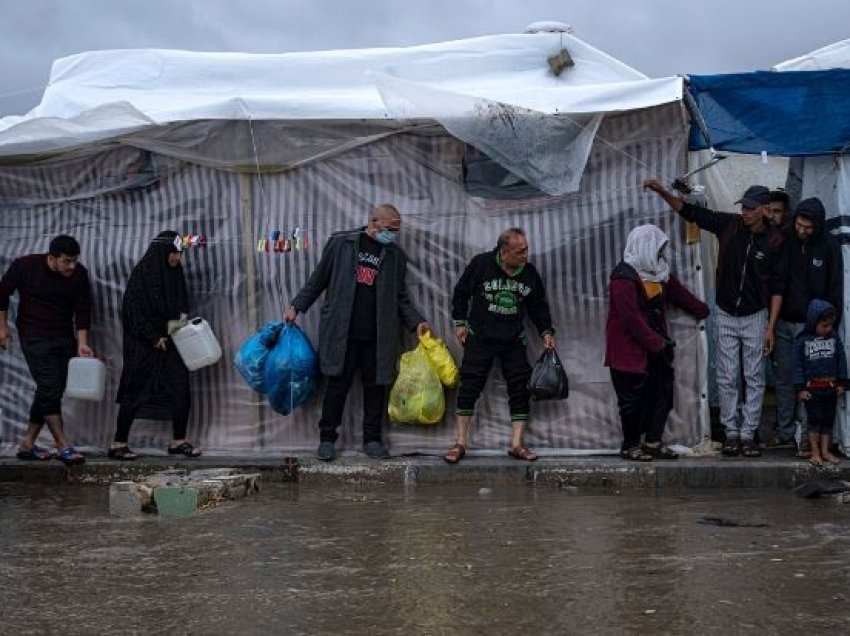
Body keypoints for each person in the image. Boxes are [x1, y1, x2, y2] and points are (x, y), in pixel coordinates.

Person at [643, 180, 783, 458]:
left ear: (765, 210)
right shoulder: (729, 225)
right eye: (743, 206)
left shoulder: (776, 241)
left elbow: (778, 287)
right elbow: (690, 212)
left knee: (754, 377)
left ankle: (749, 434)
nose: (745, 211)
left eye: (751, 208)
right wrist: (661, 192)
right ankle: (732, 433)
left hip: (756, 315)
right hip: (726, 311)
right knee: (728, 375)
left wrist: (771, 327)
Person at [284, 204, 430, 461]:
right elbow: (318, 278)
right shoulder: (342, 243)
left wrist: (415, 322)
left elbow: (400, 297)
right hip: (343, 331)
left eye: (397, 229)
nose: (394, 234)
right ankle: (327, 438)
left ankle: (372, 440)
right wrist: (297, 306)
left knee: (376, 387)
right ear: (374, 222)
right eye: (390, 228)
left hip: (378, 334)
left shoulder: (395, 255)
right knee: (337, 385)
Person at [444, 227, 556, 464]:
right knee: (470, 385)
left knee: (519, 388)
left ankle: (517, 444)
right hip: (480, 337)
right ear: (503, 252)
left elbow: (538, 306)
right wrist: (460, 323)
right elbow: (461, 293)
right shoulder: (481, 264)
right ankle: (460, 442)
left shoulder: (529, 273)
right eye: (519, 252)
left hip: (513, 340)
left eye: (526, 249)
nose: (525, 255)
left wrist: (546, 331)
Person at [605, 225, 709, 461]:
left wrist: (702, 310)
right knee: (632, 402)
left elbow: (678, 293)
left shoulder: (659, 272)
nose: (661, 254)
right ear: (645, 247)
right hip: (629, 352)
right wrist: (656, 343)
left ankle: (653, 441)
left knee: (662, 394)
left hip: (656, 348)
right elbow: (631, 318)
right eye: (658, 248)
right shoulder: (623, 278)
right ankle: (630, 445)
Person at [0, 235, 93, 465]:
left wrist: (82, 342)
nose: (72, 266)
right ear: (51, 258)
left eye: (74, 261)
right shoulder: (25, 266)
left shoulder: (79, 274)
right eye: (67, 261)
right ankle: (63, 445)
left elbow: (83, 309)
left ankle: (27, 444)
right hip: (34, 335)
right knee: (50, 386)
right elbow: (2, 295)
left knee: (51, 389)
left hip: (63, 337)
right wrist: (2, 327)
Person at [109, 231, 201, 460]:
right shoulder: (143, 275)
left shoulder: (175, 274)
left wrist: (176, 328)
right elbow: (133, 311)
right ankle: (117, 443)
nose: (177, 258)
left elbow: (181, 304)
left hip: (171, 340)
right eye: (173, 253)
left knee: (180, 388)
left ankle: (178, 441)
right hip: (144, 344)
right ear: (162, 252)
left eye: (179, 254)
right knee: (135, 389)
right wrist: (153, 336)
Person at [771, 197, 843, 456]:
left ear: (818, 225)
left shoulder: (829, 246)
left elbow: (835, 287)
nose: (802, 231)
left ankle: (805, 440)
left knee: (810, 385)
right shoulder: (786, 238)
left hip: (812, 328)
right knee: (785, 379)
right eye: (799, 225)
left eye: (808, 227)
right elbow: (777, 280)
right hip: (784, 322)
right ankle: (784, 433)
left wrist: (830, 327)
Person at [793, 299, 848, 466]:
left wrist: (842, 383)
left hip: (830, 388)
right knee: (814, 421)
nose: (828, 329)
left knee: (827, 420)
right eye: (824, 325)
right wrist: (800, 388)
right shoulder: (802, 340)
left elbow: (841, 360)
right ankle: (815, 451)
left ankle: (825, 451)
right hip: (812, 390)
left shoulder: (834, 338)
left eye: (830, 325)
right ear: (812, 322)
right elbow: (797, 366)